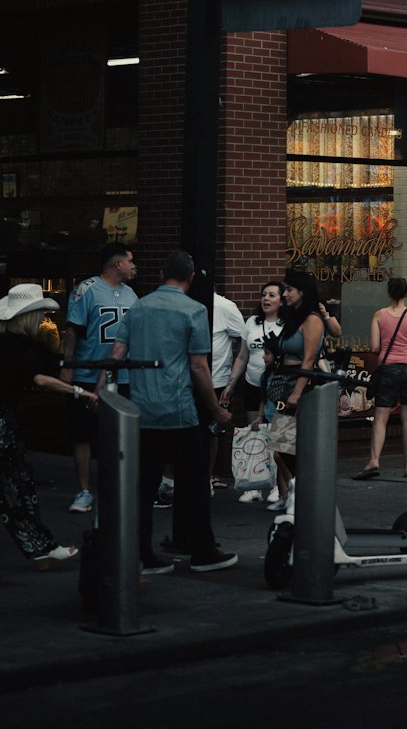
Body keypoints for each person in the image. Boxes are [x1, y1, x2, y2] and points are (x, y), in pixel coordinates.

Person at [108, 250, 236, 575]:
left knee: (144, 486)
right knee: (194, 484)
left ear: (163, 273)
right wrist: (216, 409)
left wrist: (99, 393)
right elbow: (199, 367)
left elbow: (117, 353)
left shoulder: (138, 306)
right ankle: (203, 551)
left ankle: (141, 554)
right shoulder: (194, 310)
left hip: (142, 411)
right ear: (191, 278)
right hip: (178, 411)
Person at [0, 283, 97, 569]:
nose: (44, 319)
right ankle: (41, 547)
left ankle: (42, 548)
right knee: (19, 486)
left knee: (14, 486)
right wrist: (79, 392)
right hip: (3, 423)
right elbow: (40, 379)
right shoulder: (21, 347)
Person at [60, 243, 138, 513]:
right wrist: (68, 364)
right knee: (82, 433)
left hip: (123, 375)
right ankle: (83, 491)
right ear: (117, 264)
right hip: (87, 370)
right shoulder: (87, 290)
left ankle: (114, 488)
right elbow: (73, 330)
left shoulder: (131, 295)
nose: (133, 266)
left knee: (118, 434)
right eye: (130, 261)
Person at [354, 277, 407, 480]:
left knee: (381, 417)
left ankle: (374, 460)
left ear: (389, 294)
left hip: (388, 368)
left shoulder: (379, 315)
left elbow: (373, 347)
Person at [264, 270, 327, 496]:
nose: (285, 294)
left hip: (299, 385)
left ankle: (301, 493)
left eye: (289, 289)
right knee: (281, 448)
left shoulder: (312, 319)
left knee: (287, 449)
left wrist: (298, 391)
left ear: (302, 291)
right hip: (284, 382)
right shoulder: (294, 318)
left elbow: (309, 359)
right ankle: (295, 493)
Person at [222, 281, 284, 504]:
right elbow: (242, 357)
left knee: (278, 438)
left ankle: (278, 484)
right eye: (264, 295)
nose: (266, 299)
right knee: (255, 436)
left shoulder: (286, 324)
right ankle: (255, 484)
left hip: (277, 387)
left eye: (272, 295)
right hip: (252, 384)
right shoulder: (252, 322)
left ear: (282, 300)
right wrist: (230, 384)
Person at [208, 288, 247, 489]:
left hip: (217, 380)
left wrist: (231, 380)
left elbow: (243, 340)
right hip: (186, 379)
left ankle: (278, 486)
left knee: (213, 430)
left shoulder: (225, 307)